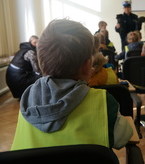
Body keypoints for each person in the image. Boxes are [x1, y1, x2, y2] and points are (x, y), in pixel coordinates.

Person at [11, 19, 132, 150]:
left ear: (41, 63)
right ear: (87, 66)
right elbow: (123, 138)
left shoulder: (27, 98)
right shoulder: (103, 101)